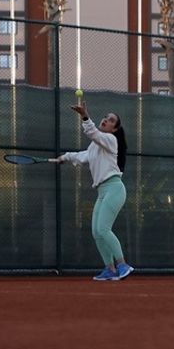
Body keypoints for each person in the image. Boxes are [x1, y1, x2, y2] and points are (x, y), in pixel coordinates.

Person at [50, 101, 134, 281]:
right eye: (106, 117)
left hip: (114, 189)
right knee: (97, 232)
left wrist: (85, 116)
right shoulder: (95, 146)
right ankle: (110, 269)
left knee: (103, 229)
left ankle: (122, 265)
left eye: (111, 120)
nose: (106, 120)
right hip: (103, 192)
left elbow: (92, 133)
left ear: (114, 129)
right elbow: (82, 156)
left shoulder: (110, 140)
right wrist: (64, 157)